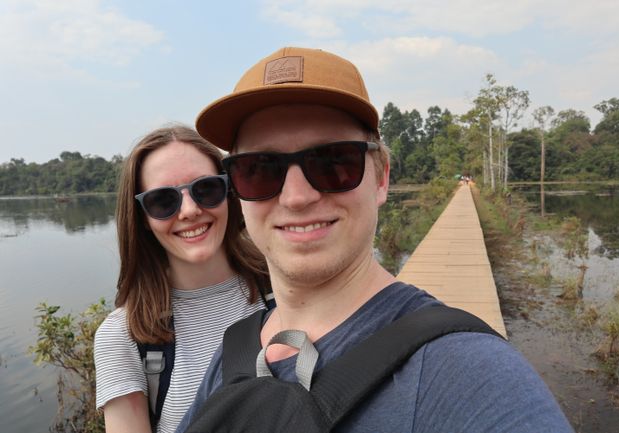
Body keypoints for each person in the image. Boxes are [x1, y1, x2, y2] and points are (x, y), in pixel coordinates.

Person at [177, 47, 573, 432]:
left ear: (380, 177)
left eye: (333, 163)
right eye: (258, 169)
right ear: (238, 190)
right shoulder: (233, 353)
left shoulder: (467, 372)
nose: (297, 197)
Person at [94, 125, 270, 433]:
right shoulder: (124, 335)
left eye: (207, 189)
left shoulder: (286, 287)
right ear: (143, 219)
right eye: (163, 201)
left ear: (228, 193)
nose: (189, 210)